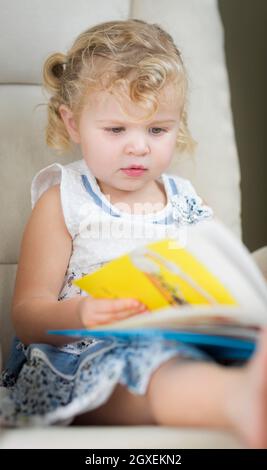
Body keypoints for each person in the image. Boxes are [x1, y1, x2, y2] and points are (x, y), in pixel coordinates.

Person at [0, 19, 267, 449]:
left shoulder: (185, 201)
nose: (139, 147)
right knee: (151, 368)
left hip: (177, 343)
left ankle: (240, 388)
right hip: (83, 356)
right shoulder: (65, 199)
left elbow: (219, 274)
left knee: (200, 355)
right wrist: (83, 314)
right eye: (116, 130)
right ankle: (236, 402)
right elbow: (28, 315)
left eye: (157, 129)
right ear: (73, 124)